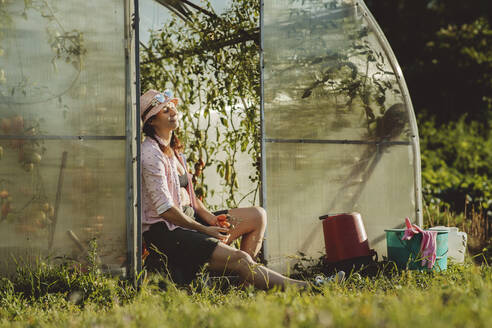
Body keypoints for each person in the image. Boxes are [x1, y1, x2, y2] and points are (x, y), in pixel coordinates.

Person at [140, 89, 343, 289]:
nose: (173, 112)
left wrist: (211, 218)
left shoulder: (174, 150)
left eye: (172, 107)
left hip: (190, 218)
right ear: (152, 121)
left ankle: (244, 287)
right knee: (240, 258)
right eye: (165, 110)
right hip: (169, 231)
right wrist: (204, 229)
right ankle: (309, 288)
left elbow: (189, 197)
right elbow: (165, 208)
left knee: (257, 215)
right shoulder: (150, 153)